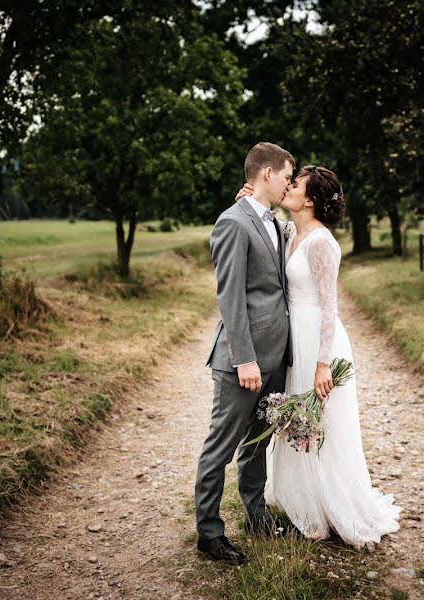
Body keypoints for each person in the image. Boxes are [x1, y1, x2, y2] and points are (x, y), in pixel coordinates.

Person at [235, 166, 401, 549]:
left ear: (309, 199)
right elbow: (267, 228)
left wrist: (323, 363)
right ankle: (304, 501)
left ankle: (331, 506)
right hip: (295, 340)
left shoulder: (323, 243)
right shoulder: (293, 231)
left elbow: (330, 308)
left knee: (322, 424)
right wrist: (249, 202)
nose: (288, 188)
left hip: (318, 342)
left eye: (294, 185)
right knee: (298, 422)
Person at [194, 142, 294, 565]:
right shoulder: (232, 223)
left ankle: (256, 518)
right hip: (245, 360)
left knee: (257, 443)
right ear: (266, 175)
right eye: (287, 176)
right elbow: (230, 296)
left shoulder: (273, 221)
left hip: (275, 356)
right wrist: (244, 359)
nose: (290, 183)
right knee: (222, 443)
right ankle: (209, 533)